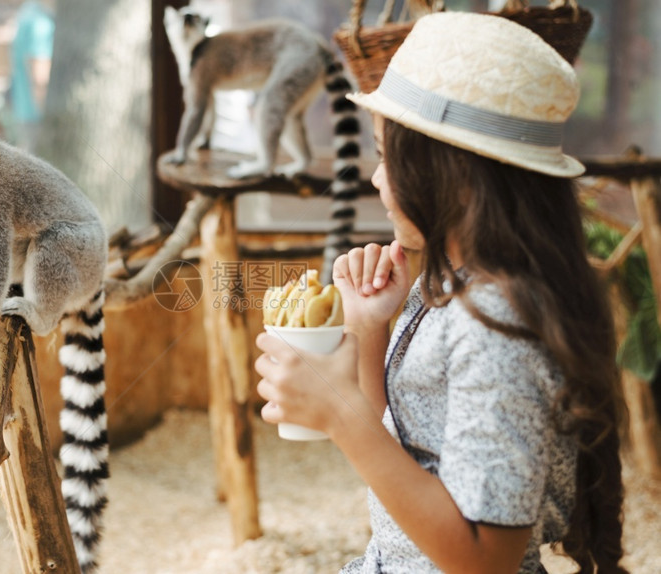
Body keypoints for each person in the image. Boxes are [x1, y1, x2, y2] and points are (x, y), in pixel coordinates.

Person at [254, 11, 627, 574]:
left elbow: (487, 558)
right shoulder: (452, 286)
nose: (377, 179)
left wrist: (339, 412)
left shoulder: (500, 324)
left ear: (448, 172)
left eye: (386, 158)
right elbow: (403, 445)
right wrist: (369, 329)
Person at [10, 0, 55, 152]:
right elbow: (40, 77)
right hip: (38, 118)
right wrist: (49, 122)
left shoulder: (28, 11)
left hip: (25, 113)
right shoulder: (40, 23)